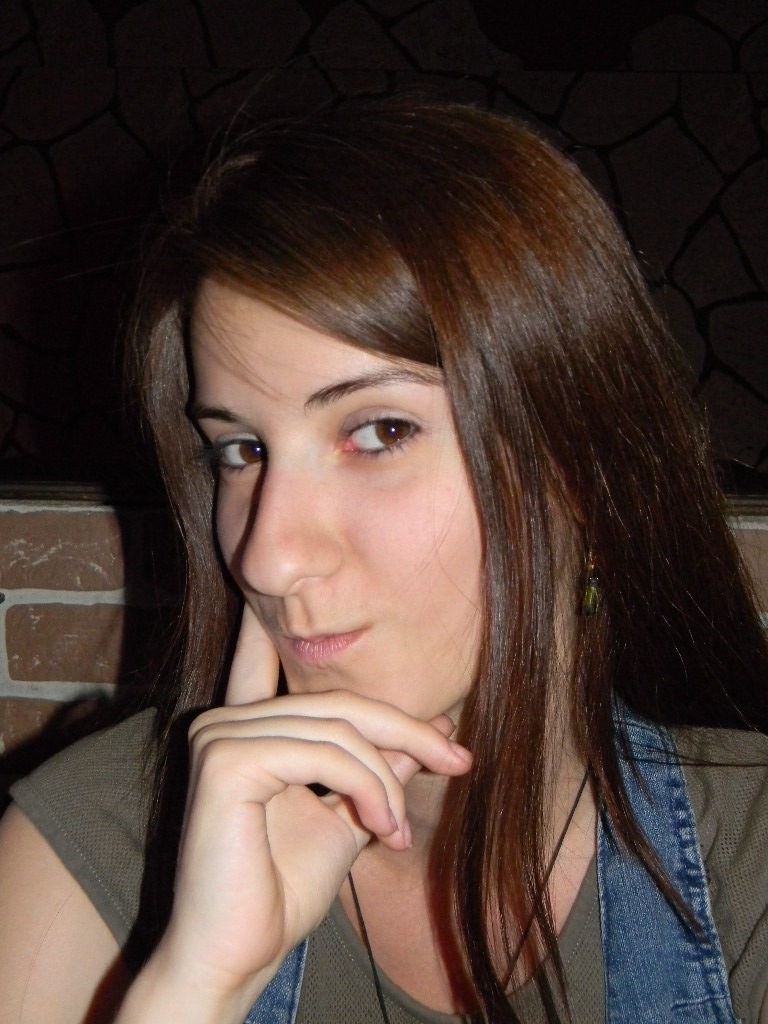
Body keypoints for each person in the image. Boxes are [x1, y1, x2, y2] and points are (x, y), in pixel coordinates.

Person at [1, 98, 767, 1024]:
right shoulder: (90, 852)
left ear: (580, 469)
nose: (267, 556)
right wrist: (195, 986)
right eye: (241, 450)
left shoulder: (748, 857)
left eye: (380, 432)